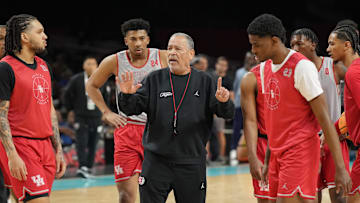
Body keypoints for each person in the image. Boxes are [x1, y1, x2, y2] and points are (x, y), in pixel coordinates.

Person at [117, 32, 234, 203]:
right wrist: (126, 95)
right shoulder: (155, 79)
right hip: (156, 163)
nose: (171, 52)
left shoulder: (205, 81)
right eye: (169, 48)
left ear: (191, 54)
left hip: (191, 163)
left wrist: (224, 102)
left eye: (177, 49)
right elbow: (131, 109)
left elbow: (227, 113)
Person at [247, 13, 352, 202]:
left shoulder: (302, 67)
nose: (253, 49)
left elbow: (324, 119)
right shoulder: (263, 70)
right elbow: (274, 122)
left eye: (257, 44)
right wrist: (267, 160)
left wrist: (340, 168)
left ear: (274, 41)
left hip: (301, 149)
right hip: (277, 153)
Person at [86, 18, 167, 203]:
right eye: (133, 39)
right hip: (128, 130)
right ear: (126, 41)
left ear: (148, 39)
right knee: (126, 196)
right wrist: (106, 112)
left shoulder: (162, 57)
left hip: (156, 131)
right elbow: (91, 85)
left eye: (141, 38)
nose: (137, 43)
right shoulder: (114, 61)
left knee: (154, 193)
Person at [0, 14, 66, 202]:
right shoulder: (5, 68)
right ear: (25, 37)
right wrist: (12, 155)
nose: (45, 36)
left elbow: (49, 109)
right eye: (39, 32)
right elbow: (1, 115)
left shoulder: (44, 66)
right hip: (22, 145)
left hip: (45, 146)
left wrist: (58, 149)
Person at [290, 28, 349, 203]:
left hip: (334, 139)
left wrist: (347, 123)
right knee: (310, 198)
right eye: (292, 44)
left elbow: (355, 99)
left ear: (313, 44)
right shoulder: (293, 72)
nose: (295, 48)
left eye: (299, 43)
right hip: (307, 143)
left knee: (339, 197)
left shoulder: (334, 66)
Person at [327, 24, 360, 203]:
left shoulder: (353, 73)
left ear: (347, 45)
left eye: (332, 44)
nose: (328, 48)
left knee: (351, 197)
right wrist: (335, 131)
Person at [63, 56, 104, 178]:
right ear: (84, 66)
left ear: (97, 66)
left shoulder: (102, 78)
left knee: (94, 142)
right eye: (89, 63)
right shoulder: (76, 79)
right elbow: (66, 95)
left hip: (96, 116)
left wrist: (105, 112)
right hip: (81, 116)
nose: (91, 66)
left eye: (94, 63)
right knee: (81, 141)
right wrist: (70, 110)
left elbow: (106, 96)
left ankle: (89, 167)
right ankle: (82, 167)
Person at [240, 60, 273, 202]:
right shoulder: (251, 77)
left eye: (257, 44)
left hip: (290, 145)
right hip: (263, 143)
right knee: (264, 198)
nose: (254, 50)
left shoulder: (296, 69)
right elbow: (250, 120)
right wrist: (252, 156)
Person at [230, 51, 257, 166]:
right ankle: (233, 152)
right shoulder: (239, 72)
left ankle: (253, 153)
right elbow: (235, 89)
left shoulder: (256, 70)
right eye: (247, 58)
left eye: (251, 57)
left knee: (251, 128)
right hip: (238, 105)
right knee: (236, 129)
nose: (249, 59)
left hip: (252, 105)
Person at [211, 56, 234, 163]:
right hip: (210, 110)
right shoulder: (210, 76)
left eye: (224, 65)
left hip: (221, 111)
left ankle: (221, 155)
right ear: (216, 65)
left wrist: (228, 110)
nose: (222, 67)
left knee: (220, 133)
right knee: (207, 134)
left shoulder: (228, 80)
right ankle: (207, 157)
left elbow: (232, 96)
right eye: (220, 64)